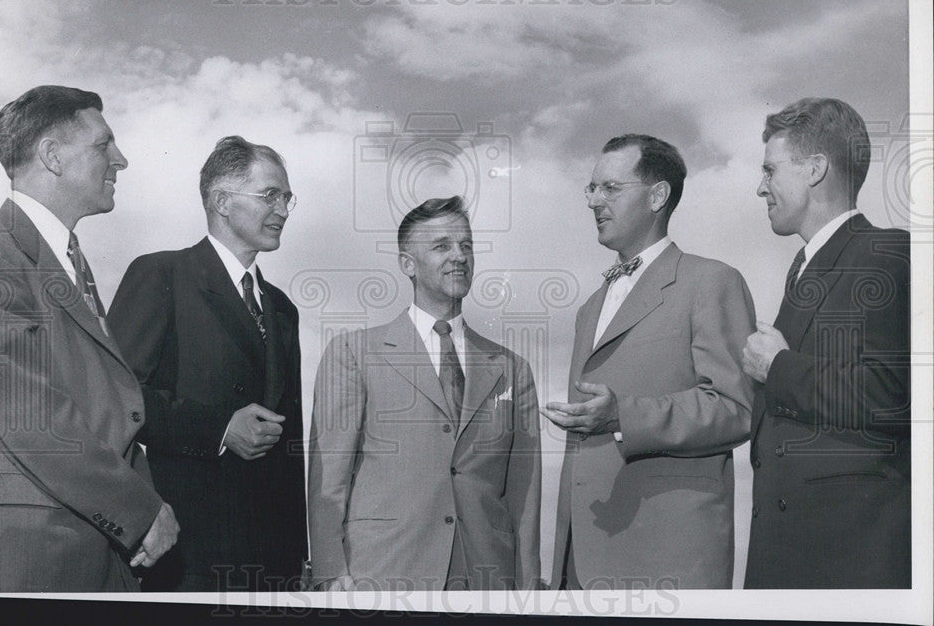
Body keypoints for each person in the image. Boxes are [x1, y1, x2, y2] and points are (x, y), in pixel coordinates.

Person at [0, 85, 179, 591]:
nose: (120, 160)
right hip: (36, 554)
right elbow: (31, 417)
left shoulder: (67, 262)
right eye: (104, 144)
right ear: (53, 156)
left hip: (98, 550)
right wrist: (141, 511)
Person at [543, 134, 755, 589]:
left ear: (658, 195)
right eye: (592, 188)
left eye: (611, 189)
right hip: (581, 564)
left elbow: (737, 409)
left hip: (668, 563)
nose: (595, 201)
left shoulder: (712, 281)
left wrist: (626, 414)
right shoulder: (588, 309)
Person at [308, 196, 541, 591]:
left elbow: (525, 493)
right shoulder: (353, 353)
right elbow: (328, 478)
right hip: (383, 576)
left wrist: (529, 588)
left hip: (487, 580)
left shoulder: (511, 367)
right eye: (441, 245)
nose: (459, 256)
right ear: (407, 264)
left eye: (466, 245)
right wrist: (332, 573)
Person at [108, 136, 307, 592]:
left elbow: (290, 437)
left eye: (287, 197)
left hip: (273, 563)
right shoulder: (161, 274)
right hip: (188, 555)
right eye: (269, 195)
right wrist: (219, 428)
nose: (282, 209)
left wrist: (297, 555)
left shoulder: (282, 308)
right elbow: (116, 399)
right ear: (221, 200)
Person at [742, 98, 910, 588]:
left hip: (851, 562)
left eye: (770, 170)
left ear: (815, 169)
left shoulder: (887, 254)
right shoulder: (807, 267)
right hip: (791, 557)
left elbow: (896, 393)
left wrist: (779, 369)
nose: (760, 187)